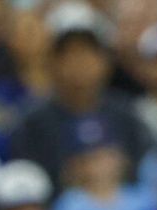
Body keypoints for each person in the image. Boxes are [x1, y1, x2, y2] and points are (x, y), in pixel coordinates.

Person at [9, 10, 146, 187]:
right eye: (69, 53)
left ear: (105, 61)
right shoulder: (32, 124)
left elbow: (142, 178)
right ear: (52, 62)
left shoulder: (127, 116)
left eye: (88, 52)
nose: (79, 62)